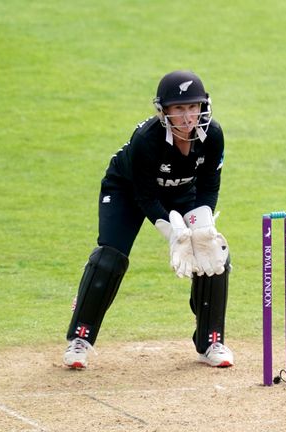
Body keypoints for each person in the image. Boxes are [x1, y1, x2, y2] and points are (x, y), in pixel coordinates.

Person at [63, 70, 234, 369]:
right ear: (163, 110)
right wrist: (174, 235)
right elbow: (145, 198)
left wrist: (202, 225)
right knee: (109, 258)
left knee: (213, 253)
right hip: (128, 190)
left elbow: (209, 186)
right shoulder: (146, 140)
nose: (187, 116)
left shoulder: (213, 135)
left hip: (183, 191)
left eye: (193, 107)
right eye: (179, 109)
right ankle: (80, 339)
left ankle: (211, 341)